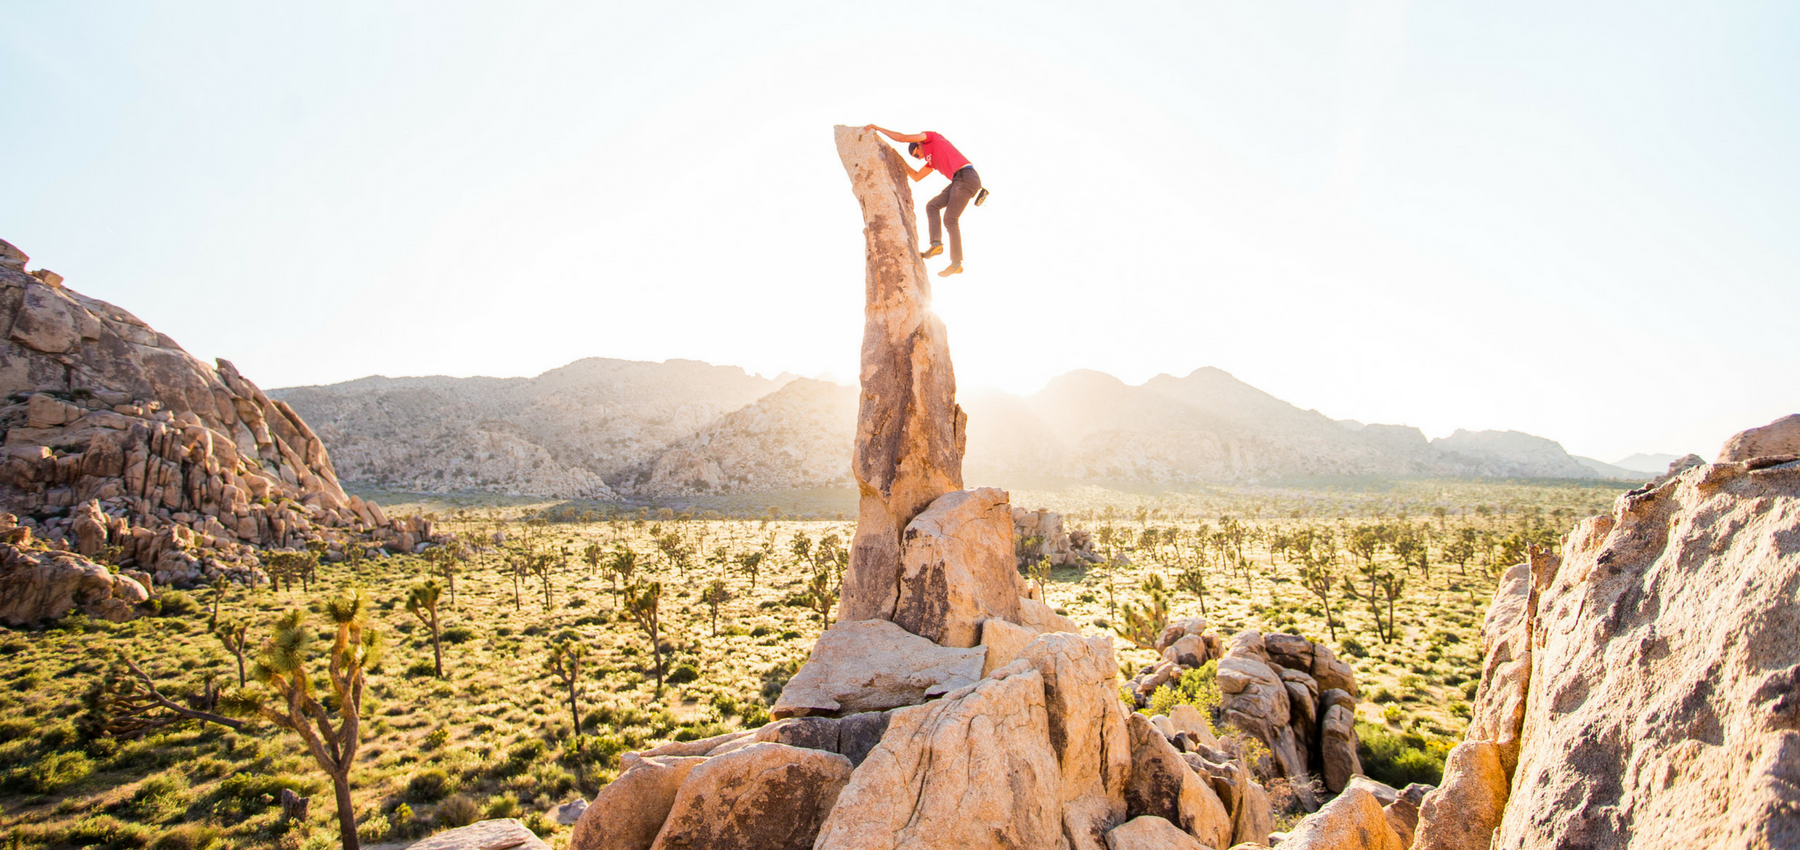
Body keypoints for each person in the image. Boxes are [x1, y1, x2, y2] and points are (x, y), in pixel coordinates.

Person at [863, 124, 984, 277]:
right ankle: (936, 245)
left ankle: (956, 263)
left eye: (916, 154)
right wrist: (896, 159)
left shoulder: (931, 138)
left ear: (919, 144)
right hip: (958, 180)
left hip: (966, 177)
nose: (918, 158)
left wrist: (877, 128)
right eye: (915, 158)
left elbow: (902, 138)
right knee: (932, 206)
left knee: (950, 219)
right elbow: (916, 176)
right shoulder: (930, 162)